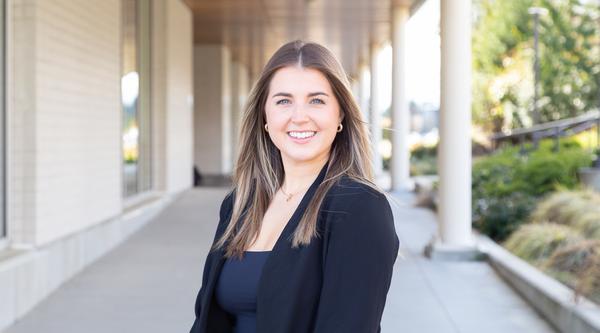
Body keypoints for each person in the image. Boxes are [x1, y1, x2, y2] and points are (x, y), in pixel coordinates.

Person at [190, 40, 400, 333]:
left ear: (339, 114)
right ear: (265, 115)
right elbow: (205, 319)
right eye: (283, 101)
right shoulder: (239, 204)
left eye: (316, 100)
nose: (299, 116)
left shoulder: (360, 208)